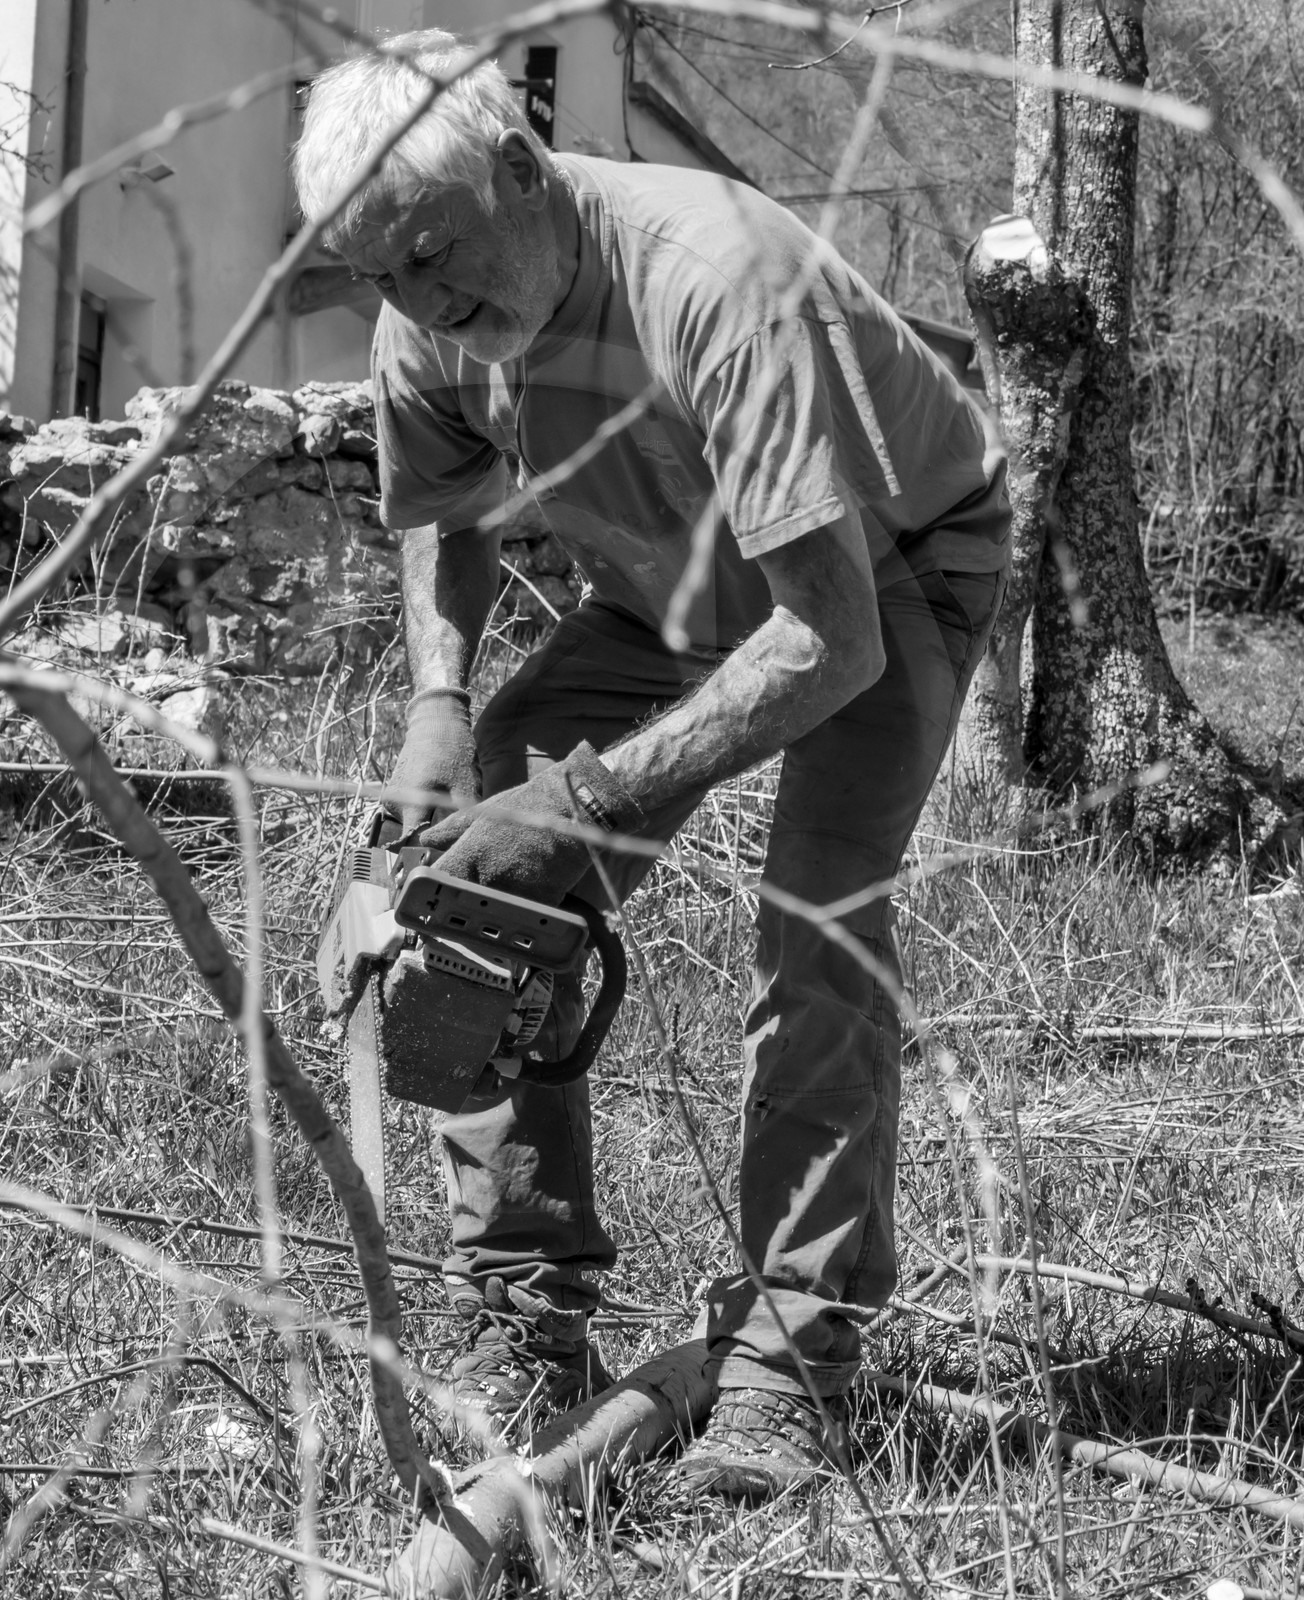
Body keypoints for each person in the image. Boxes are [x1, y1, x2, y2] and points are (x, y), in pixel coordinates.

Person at [293, 32, 1009, 1500]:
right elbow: (443, 513)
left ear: (518, 170)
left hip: (883, 568)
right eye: (387, 278)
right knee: (478, 863)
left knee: (814, 928)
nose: (422, 303)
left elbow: (826, 643)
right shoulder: (426, 305)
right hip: (670, 577)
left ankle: (788, 1380)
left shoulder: (712, 276)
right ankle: (526, 1320)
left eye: (434, 257)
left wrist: (595, 799)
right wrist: (442, 704)